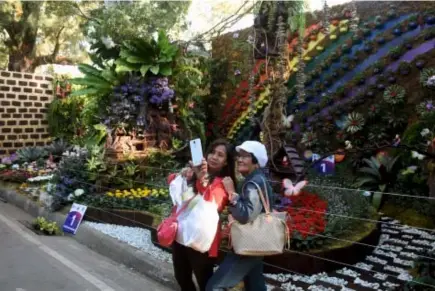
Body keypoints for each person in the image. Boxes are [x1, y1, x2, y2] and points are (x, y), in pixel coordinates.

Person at [206, 140, 273, 291]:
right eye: (239, 156)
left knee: (214, 286)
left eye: (246, 156)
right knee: (255, 284)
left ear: (256, 162)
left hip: (247, 245)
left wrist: (231, 193)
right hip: (257, 243)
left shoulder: (252, 183)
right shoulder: (257, 179)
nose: (240, 159)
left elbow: (245, 215)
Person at [170, 139, 235, 291]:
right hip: (182, 232)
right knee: (181, 276)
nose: (214, 157)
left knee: (204, 281)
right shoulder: (193, 174)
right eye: (212, 152)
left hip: (202, 236)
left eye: (220, 155)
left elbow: (213, 202)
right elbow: (178, 192)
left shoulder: (224, 182)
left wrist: (201, 178)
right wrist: (184, 174)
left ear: (226, 162)